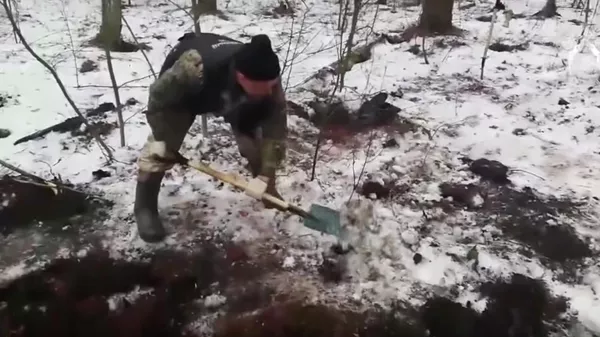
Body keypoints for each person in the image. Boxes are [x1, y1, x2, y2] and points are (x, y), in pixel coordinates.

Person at [134, 32, 287, 243]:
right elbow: (158, 101)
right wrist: (161, 137)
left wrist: (266, 175)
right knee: (164, 145)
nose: (272, 91)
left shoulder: (266, 77)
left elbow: (276, 131)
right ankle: (144, 206)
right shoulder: (190, 70)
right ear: (243, 78)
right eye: (266, 87)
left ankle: (267, 192)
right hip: (185, 96)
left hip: (235, 94)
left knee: (255, 140)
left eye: (273, 84)